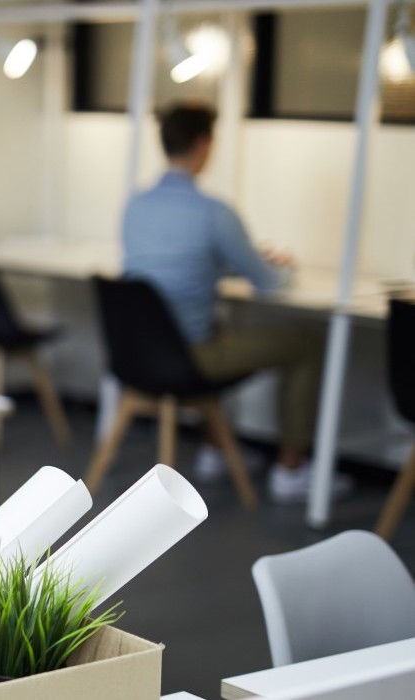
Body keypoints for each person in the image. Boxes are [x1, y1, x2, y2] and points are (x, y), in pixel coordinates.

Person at [121, 101, 349, 503]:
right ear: (205, 145)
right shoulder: (213, 213)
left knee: (221, 331)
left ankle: (214, 449)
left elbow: (173, 267)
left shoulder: (136, 205)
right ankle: (292, 470)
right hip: (190, 355)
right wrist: (281, 266)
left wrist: (223, 266)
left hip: (140, 353)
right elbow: (267, 284)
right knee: (307, 344)